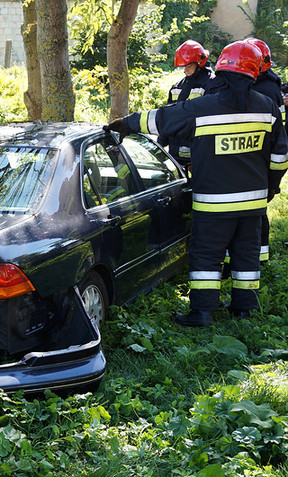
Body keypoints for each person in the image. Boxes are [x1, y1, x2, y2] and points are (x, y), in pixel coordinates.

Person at [105, 40, 288, 327]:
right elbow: (280, 156)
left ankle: (202, 312)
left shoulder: (202, 108)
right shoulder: (268, 108)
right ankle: (244, 309)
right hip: (253, 202)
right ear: (254, 73)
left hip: (213, 202)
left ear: (222, 72)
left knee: (206, 254)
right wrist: (272, 186)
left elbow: (160, 120)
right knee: (245, 254)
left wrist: (125, 123)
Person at [246, 38, 285, 264]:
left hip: (260, 158)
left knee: (257, 211)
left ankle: (260, 259)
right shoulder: (262, 84)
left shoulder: (267, 89)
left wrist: (272, 181)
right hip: (259, 157)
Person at [157, 40, 213, 165]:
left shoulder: (212, 85)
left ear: (200, 62)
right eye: (183, 66)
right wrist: (160, 144)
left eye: (188, 66)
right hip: (176, 154)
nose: (184, 70)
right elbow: (169, 117)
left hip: (199, 155)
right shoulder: (177, 87)